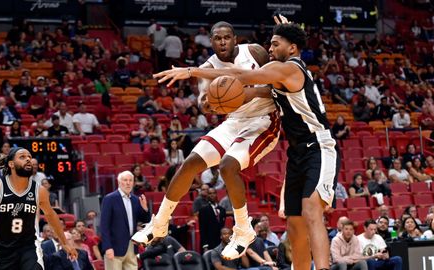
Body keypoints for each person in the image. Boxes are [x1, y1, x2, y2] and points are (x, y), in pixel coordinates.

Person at [154, 20, 340, 270]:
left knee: (311, 211)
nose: (270, 48)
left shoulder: (289, 69)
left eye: (275, 44)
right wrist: (216, 101)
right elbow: (246, 92)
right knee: (294, 222)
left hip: (318, 145)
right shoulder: (277, 76)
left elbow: (240, 76)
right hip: (296, 152)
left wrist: (191, 71)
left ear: (292, 48)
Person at [133, 21, 279, 262]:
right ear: (211, 42)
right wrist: (211, 102)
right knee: (190, 163)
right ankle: (159, 223)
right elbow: (205, 103)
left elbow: (278, 86)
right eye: (217, 38)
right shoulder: (207, 67)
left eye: (226, 37)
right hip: (234, 121)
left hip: (263, 120)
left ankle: (243, 229)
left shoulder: (254, 51)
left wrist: (246, 93)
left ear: (235, 39)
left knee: (228, 166)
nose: (222, 42)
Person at [0, 148, 77, 269]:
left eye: (29, 156)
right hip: (2, 249)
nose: (28, 159)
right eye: (22, 157)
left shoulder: (39, 191)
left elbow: (51, 215)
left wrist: (64, 243)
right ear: (11, 164)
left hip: (29, 247)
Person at [100, 171, 151, 270]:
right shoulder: (110, 199)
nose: (128, 183)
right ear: (119, 183)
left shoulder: (136, 200)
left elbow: (145, 221)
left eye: (130, 180)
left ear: (133, 183)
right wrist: (107, 247)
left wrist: (145, 209)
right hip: (114, 247)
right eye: (125, 180)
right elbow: (104, 225)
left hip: (131, 247)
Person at [198, 187, 226, 252]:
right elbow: (202, 229)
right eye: (210, 193)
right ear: (207, 195)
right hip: (209, 242)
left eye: (214, 193)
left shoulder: (222, 210)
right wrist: (205, 245)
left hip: (220, 242)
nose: (212, 195)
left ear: (216, 194)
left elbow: (222, 227)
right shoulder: (203, 210)